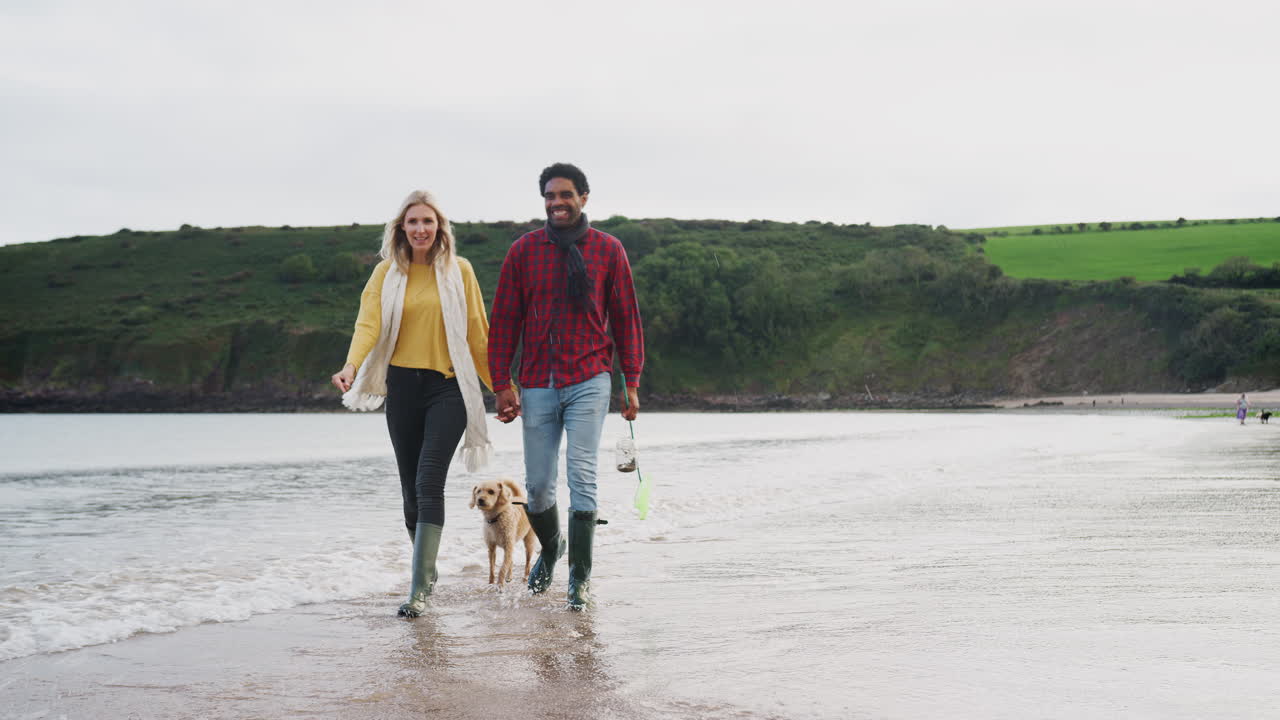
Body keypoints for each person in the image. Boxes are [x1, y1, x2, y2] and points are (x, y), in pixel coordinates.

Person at [488, 162, 644, 611]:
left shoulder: (609, 251)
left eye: (566, 195)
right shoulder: (524, 251)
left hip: (590, 377)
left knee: (582, 475)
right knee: (536, 487)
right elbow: (504, 321)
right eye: (550, 196)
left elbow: (627, 320)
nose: (557, 203)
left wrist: (630, 382)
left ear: (584, 198)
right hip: (536, 381)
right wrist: (502, 383)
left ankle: (579, 579)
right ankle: (552, 550)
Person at [330, 190, 493, 617]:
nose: (421, 229)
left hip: (449, 387)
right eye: (413, 222)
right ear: (401, 229)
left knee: (428, 481)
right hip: (402, 386)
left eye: (428, 221)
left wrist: (503, 388)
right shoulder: (387, 273)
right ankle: (428, 568)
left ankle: (418, 590)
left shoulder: (460, 271)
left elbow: (478, 332)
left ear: (440, 228)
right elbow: (368, 323)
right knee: (409, 492)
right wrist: (351, 367)